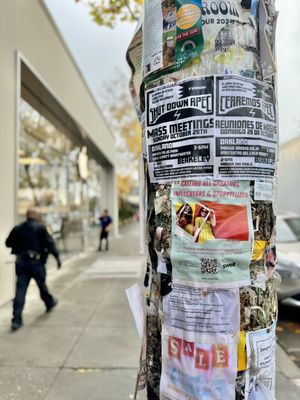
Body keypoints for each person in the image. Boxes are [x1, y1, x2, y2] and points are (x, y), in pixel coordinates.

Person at [5, 208, 61, 331]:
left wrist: (20, 247)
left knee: (20, 291)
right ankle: (49, 302)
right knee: (42, 286)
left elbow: (8, 243)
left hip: (21, 263)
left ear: (26, 216)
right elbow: (50, 244)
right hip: (36, 263)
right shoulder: (40, 228)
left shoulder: (18, 228)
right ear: (35, 216)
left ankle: (16, 320)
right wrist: (57, 258)